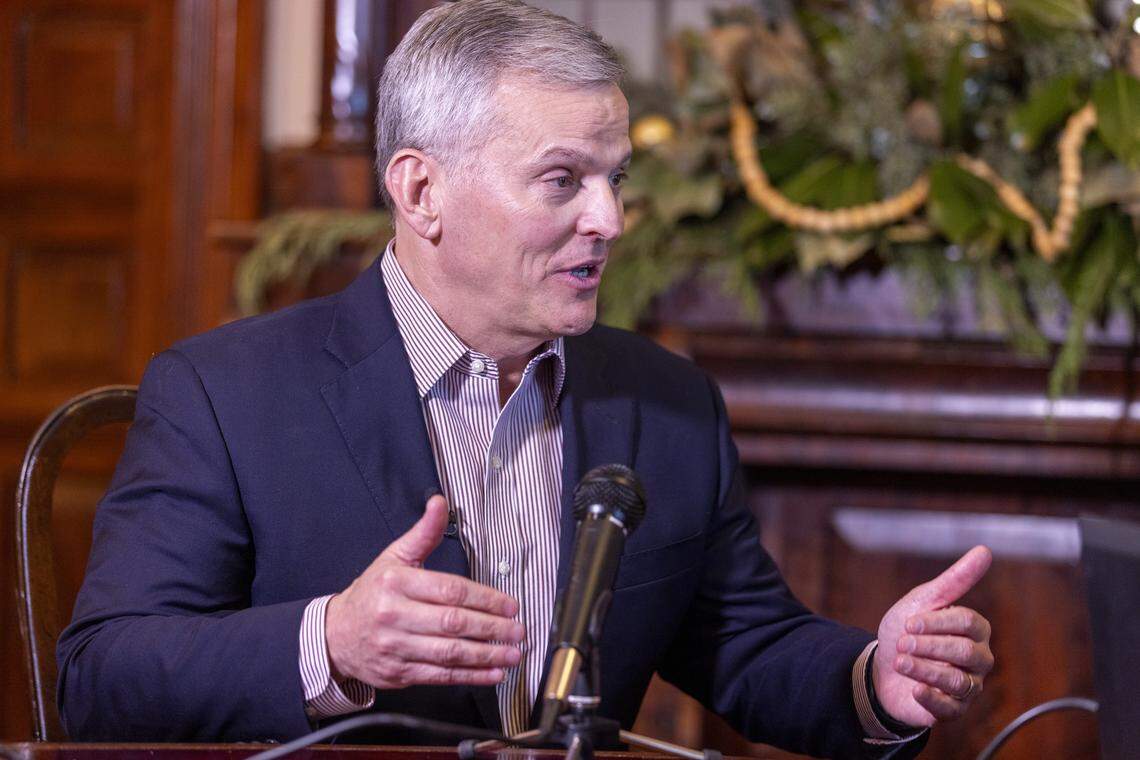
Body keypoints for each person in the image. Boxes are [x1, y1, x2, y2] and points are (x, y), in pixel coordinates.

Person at [57, 1, 994, 757]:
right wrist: (331, 643)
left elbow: (745, 649)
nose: (611, 218)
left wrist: (875, 679)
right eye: (563, 180)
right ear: (420, 191)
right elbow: (103, 680)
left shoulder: (664, 403)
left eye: (616, 177)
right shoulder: (226, 395)